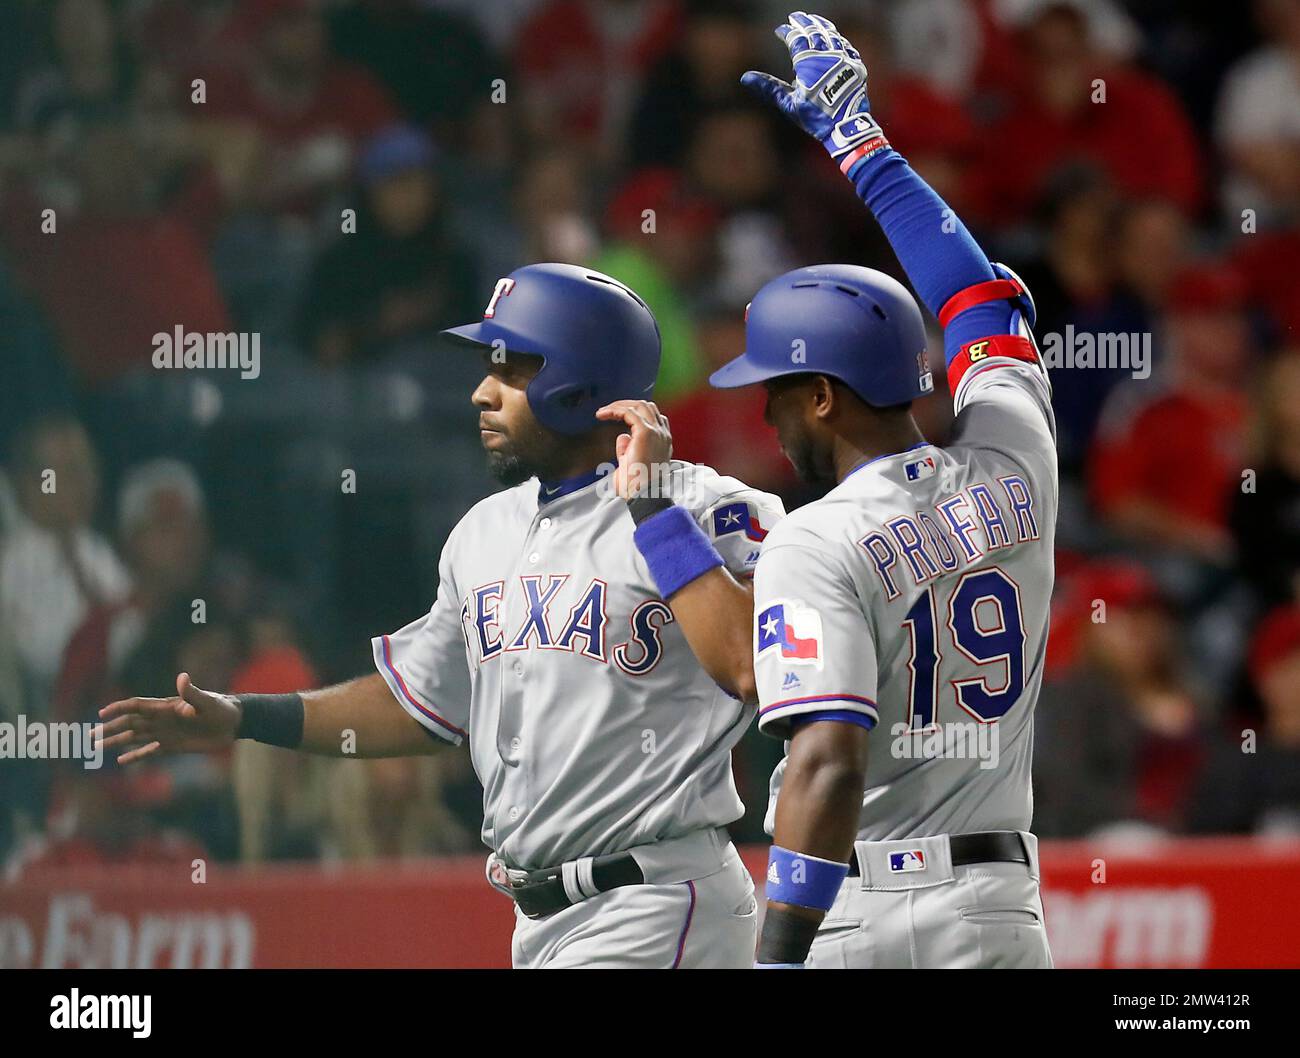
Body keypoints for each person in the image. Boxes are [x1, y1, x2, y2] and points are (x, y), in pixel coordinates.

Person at [97, 263, 785, 969]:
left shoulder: (707, 508)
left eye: (510, 370)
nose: (481, 393)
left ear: (578, 385)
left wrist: (652, 509)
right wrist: (244, 717)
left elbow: (752, 665)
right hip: (544, 917)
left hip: (656, 900)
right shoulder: (483, 532)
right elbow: (417, 705)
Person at [715, 11, 1056, 968]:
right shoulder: (1018, 451)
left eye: (776, 395)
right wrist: (858, 137)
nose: (767, 419)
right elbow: (976, 297)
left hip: (859, 911)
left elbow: (826, 760)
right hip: (997, 907)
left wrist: (778, 953)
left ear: (820, 396)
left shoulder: (811, 542)